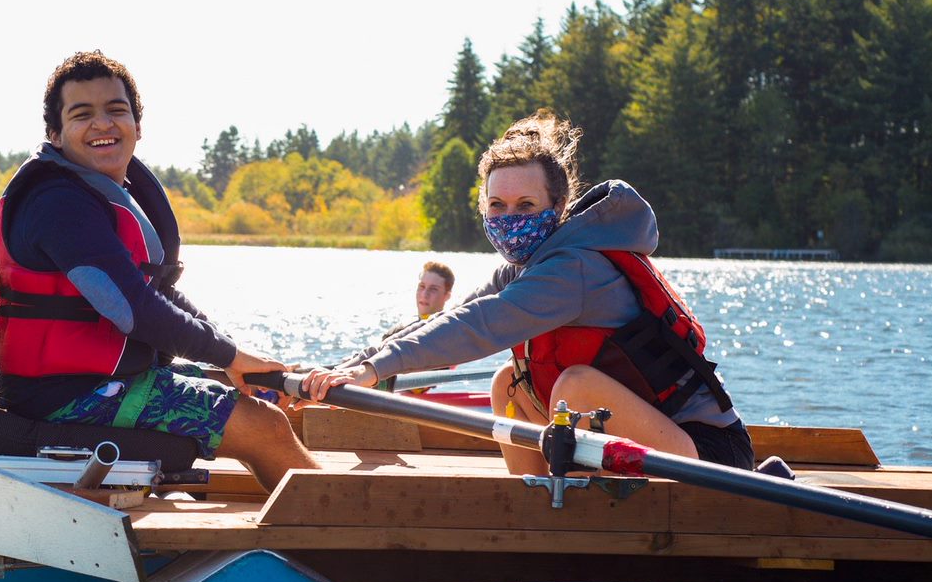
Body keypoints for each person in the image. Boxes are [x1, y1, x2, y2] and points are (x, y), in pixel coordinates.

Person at [302, 110, 754, 473]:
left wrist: (376, 370)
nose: (509, 217)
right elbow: (450, 318)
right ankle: (536, 504)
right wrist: (352, 366)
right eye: (496, 206)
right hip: (648, 445)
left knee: (574, 385)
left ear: (558, 207)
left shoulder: (573, 269)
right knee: (509, 383)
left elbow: (479, 326)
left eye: (526, 206)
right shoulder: (522, 269)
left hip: (708, 456)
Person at [0, 50, 319, 491]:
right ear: (55, 132)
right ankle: (343, 542)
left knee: (252, 393)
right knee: (265, 427)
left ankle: (298, 520)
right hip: (66, 399)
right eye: (82, 114)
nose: (103, 124)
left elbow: (157, 292)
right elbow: (133, 309)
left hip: (99, 383)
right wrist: (227, 356)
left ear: (137, 125)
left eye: (115, 110)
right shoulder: (59, 203)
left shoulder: (98, 194)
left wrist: (234, 357)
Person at [379, 261, 455, 343]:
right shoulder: (395, 334)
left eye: (433, 289)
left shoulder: (453, 335)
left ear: (447, 296)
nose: (424, 294)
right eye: (422, 286)